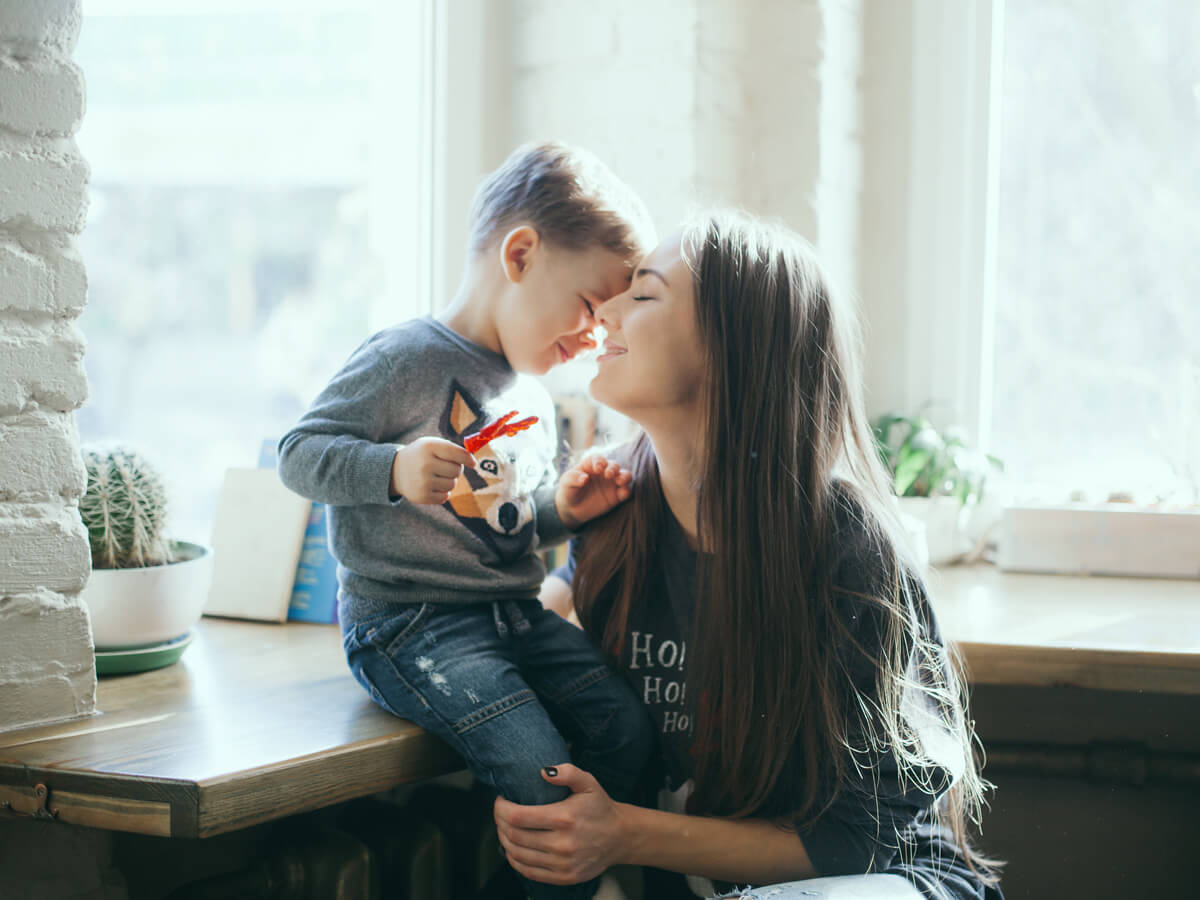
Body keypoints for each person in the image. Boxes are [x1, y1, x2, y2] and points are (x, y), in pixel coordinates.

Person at [495, 210, 1005, 900]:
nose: (604, 313)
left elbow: (858, 839)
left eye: (643, 294)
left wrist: (623, 834)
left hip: (883, 880)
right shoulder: (613, 520)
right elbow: (532, 616)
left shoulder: (851, 553)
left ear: (733, 347)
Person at [277, 142, 658, 900]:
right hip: (408, 624)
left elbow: (502, 530)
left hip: (513, 616)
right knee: (544, 779)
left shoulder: (534, 398)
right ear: (520, 255)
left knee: (627, 734)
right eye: (591, 306)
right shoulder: (404, 358)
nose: (597, 336)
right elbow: (298, 454)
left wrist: (563, 511)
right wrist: (392, 470)